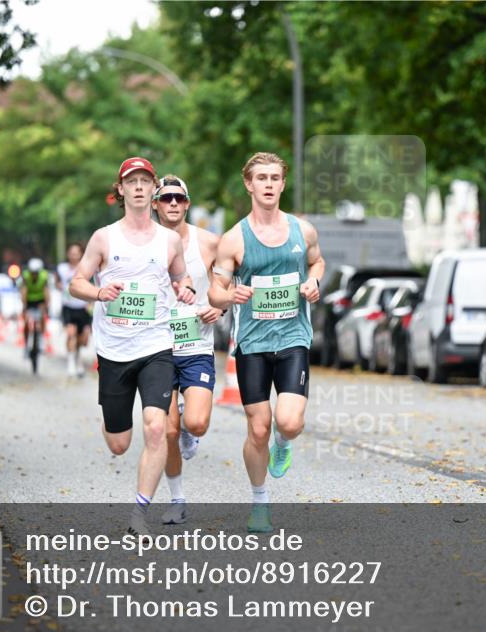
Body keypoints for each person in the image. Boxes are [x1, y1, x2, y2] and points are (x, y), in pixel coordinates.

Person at [69, 157, 196, 536]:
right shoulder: (104, 238)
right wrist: (97, 291)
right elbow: (76, 282)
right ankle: (113, 420)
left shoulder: (170, 239)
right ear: (120, 189)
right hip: (114, 351)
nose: (139, 187)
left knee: (157, 427)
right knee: (119, 443)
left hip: (157, 345)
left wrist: (186, 288)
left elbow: (182, 275)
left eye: (145, 181)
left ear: (153, 188)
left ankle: (140, 511)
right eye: (131, 181)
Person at [208, 152, 325, 533]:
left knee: (288, 422)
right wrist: (230, 298)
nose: (269, 184)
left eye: (275, 177)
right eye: (262, 178)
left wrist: (313, 282)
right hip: (253, 345)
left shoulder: (302, 230)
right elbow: (215, 291)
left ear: (283, 183)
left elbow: (317, 262)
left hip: (293, 337)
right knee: (257, 428)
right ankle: (260, 502)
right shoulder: (233, 239)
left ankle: (284, 442)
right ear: (249, 184)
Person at [152, 175, 222, 525]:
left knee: (196, 422)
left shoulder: (208, 243)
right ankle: (177, 500)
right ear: (155, 205)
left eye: (179, 198)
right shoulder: (143, 244)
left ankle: (188, 429)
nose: (173, 204)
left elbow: (229, 283)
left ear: (188, 203)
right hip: (157, 350)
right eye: (166, 199)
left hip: (197, 346)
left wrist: (220, 308)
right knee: (164, 431)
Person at [56, 242, 93, 378]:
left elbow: (92, 284)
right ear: (68, 254)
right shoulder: (62, 268)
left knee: (82, 340)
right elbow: (57, 282)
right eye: (71, 253)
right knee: (71, 334)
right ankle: (71, 364)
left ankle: (78, 359)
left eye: (76, 253)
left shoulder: (86, 268)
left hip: (83, 307)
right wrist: (60, 286)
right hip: (68, 307)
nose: (74, 255)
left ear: (81, 254)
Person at [19, 258, 49, 359]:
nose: (34, 275)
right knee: (27, 322)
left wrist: (47, 305)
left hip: (40, 300)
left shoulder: (44, 276)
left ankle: (41, 340)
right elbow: (24, 291)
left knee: (42, 318)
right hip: (29, 300)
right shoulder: (26, 276)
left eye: (36, 273)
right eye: (32, 272)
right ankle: (26, 346)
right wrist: (24, 306)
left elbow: (46, 292)